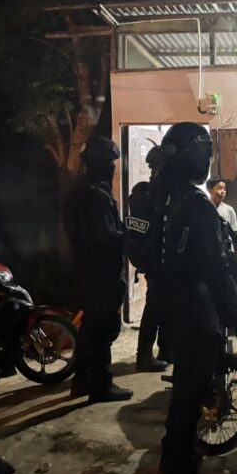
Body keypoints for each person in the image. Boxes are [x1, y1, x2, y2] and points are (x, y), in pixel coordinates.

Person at [157, 122, 237, 474]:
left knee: (184, 391)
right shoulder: (196, 205)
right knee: (189, 395)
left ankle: (173, 464)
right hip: (197, 311)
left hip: (174, 305)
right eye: (205, 151)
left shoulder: (164, 199)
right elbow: (215, 271)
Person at [63, 136, 133, 402]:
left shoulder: (78, 193)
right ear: (100, 165)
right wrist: (129, 238)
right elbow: (106, 238)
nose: (113, 168)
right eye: (110, 163)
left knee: (90, 329)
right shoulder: (97, 196)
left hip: (85, 271)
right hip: (102, 274)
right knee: (103, 330)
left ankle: (82, 380)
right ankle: (101, 386)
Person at [131, 145, 170, 373]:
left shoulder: (163, 192)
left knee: (165, 306)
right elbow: (140, 230)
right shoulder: (145, 194)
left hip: (165, 259)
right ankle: (144, 355)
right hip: (156, 260)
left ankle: (166, 350)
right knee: (155, 306)